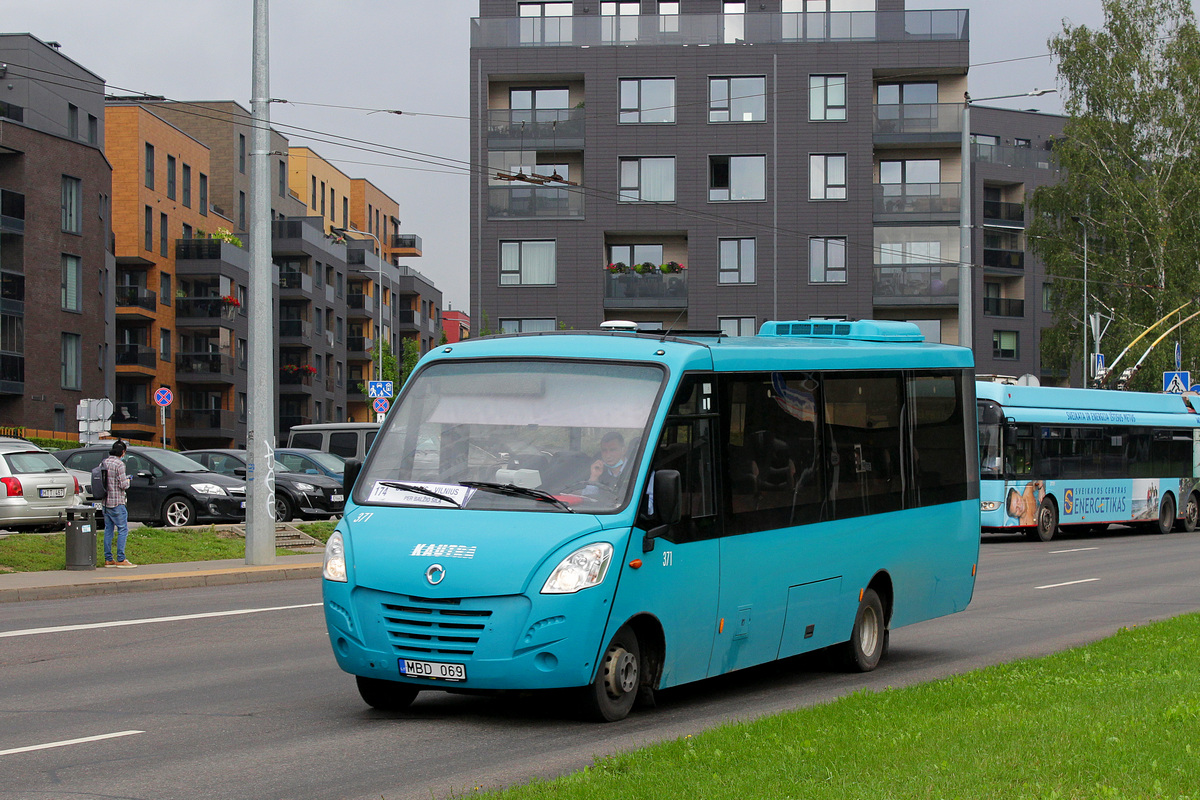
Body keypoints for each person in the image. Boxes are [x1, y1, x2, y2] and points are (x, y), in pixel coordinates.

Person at [102, 440, 136, 568]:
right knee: (123, 529)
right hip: (117, 501)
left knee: (108, 530)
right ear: (122, 452)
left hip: (106, 502)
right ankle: (121, 559)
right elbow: (123, 485)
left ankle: (108, 559)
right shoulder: (119, 464)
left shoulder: (104, 462)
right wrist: (128, 480)